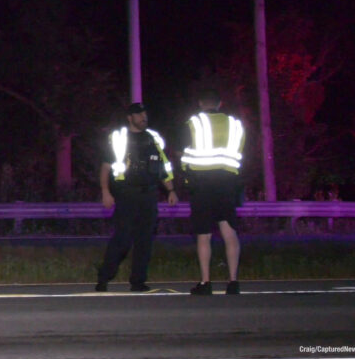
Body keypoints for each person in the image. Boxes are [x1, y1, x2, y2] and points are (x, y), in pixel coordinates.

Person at [96, 103, 178, 292]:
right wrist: (105, 192)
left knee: (145, 240)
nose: (143, 117)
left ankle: (138, 281)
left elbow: (162, 168)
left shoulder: (153, 140)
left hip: (148, 194)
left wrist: (171, 190)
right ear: (129, 117)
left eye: (145, 113)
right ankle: (104, 277)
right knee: (122, 239)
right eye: (139, 114)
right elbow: (105, 168)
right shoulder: (119, 140)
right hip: (126, 194)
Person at [180, 89, 245, 295]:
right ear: (220, 103)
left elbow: (186, 151)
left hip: (202, 183)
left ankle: (205, 282)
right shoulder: (235, 124)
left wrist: (186, 174)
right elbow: (240, 151)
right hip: (227, 181)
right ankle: (233, 281)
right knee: (229, 231)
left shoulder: (194, 122)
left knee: (203, 234)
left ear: (200, 103)